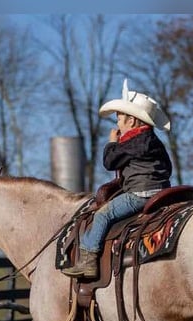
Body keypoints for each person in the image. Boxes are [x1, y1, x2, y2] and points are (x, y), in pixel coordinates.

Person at [62, 79, 172, 279]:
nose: (118, 123)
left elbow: (109, 162)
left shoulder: (133, 142)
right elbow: (168, 167)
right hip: (162, 191)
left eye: (119, 118)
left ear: (131, 121)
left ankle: (88, 261)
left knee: (102, 215)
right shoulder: (154, 141)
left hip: (139, 194)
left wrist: (112, 143)